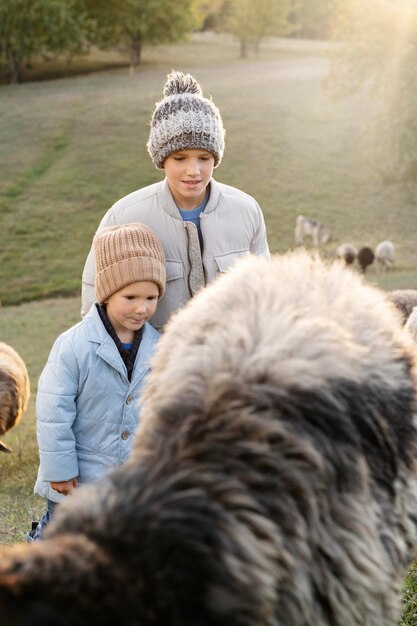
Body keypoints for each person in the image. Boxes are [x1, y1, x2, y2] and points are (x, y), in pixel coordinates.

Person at [81, 70, 270, 331]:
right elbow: (94, 300)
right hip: (154, 367)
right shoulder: (123, 216)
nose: (193, 171)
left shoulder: (247, 211)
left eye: (204, 158)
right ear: (162, 158)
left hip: (232, 364)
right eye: (180, 158)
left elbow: (265, 295)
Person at [28, 223, 166, 540]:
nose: (142, 308)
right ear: (106, 294)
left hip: (128, 486)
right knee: (63, 544)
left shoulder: (159, 349)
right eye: (130, 297)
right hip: (77, 481)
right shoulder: (74, 346)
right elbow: (53, 413)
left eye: (151, 297)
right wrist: (60, 471)